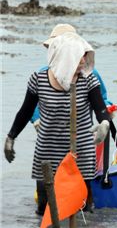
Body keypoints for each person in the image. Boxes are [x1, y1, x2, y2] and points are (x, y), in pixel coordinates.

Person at [4, 32, 111, 215]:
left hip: (80, 153)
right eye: (79, 57)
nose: (84, 61)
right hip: (47, 152)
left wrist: (104, 124)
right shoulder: (39, 80)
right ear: (65, 57)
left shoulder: (88, 80)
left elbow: (101, 109)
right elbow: (25, 111)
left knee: (82, 209)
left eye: (85, 56)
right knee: (45, 208)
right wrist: (11, 137)